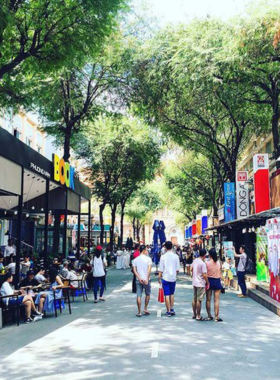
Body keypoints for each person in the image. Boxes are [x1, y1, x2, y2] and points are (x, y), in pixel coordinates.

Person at [158, 241, 180, 317]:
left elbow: (161, 269)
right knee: (172, 293)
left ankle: (168, 311)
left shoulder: (163, 257)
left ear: (165, 247)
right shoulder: (176, 256)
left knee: (166, 294)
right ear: (172, 247)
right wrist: (174, 275)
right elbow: (177, 269)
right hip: (173, 278)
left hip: (165, 277)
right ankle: (172, 308)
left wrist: (159, 277)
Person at [133, 245, 152, 317]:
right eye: (146, 250)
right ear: (144, 250)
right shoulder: (148, 259)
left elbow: (134, 270)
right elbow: (149, 269)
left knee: (138, 295)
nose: (147, 251)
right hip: (147, 279)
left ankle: (139, 311)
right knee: (147, 294)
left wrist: (139, 277)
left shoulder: (135, 260)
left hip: (139, 279)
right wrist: (146, 278)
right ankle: (145, 308)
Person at [191, 248, 209, 321]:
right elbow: (204, 275)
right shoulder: (202, 263)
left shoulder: (195, 260)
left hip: (195, 282)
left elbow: (191, 269)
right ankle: (198, 315)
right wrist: (207, 282)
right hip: (201, 283)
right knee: (199, 300)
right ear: (204, 255)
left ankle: (194, 314)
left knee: (194, 299)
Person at [205, 248, 223, 322]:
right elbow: (220, 272)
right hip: (217, 280)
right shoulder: (219, 263)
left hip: (209, 281)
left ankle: (209, 315)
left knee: (208, 299)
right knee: (216, 300)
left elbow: (205, 273)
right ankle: (216, 316)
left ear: (209, 255)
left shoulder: (207, 263)